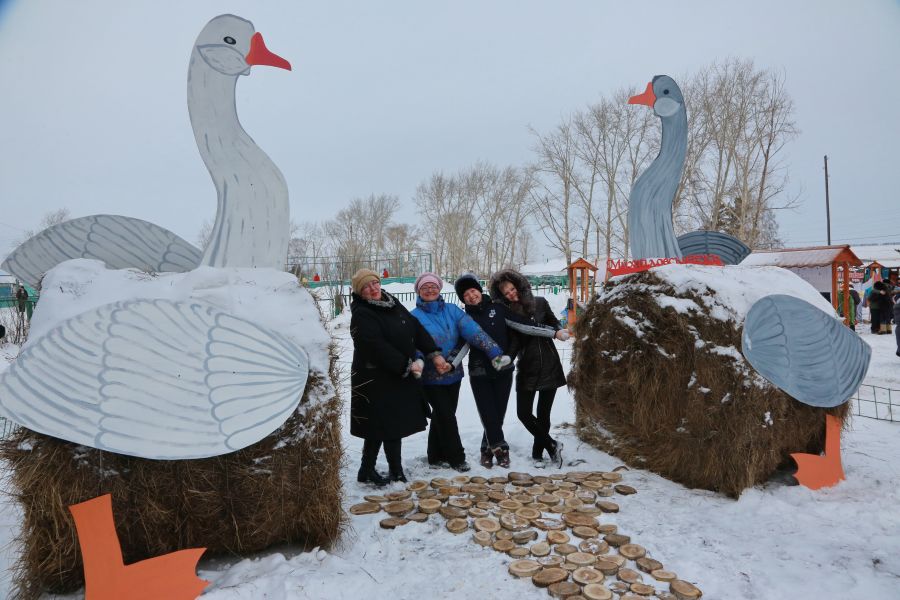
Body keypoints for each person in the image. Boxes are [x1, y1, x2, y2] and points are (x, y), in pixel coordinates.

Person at [349, 268, 448, 486]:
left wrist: (432, 352)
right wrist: (406, 365)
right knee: (387, 425)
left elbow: (415, 327)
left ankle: (367, 470)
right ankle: (395, 472)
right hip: (375, 378)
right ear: (359, 292)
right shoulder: (362, 313)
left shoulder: (390, 302)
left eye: (374, 283)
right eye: (366, 287)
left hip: (394, 376)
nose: (373, 288)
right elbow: (374, 346)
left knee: (384, 424)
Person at [455, 273, 562, 469]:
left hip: (503, 370)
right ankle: (500, 449)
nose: (471, 296)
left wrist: (554, 332)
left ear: (479, 290)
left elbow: (524, 325)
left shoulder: (498, 309)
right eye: (465, 295)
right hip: (479, 371)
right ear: (463, 299)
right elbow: (462, 345)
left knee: (497, 414)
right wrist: (449, 364)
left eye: (473, 291)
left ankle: (487, 449)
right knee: (487, 412)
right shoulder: (465, 318)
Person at [411, 272, 509, 472]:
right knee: (447, 416)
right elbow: (414, 344)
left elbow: (474, 332)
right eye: (425, 287)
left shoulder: (452, 310)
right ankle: (457, 458)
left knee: (442, 415)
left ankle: (435, 455)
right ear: (418, 292)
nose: (430, 290)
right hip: (430, 376)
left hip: (453, 373)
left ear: (439, 289)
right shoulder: (414, 316)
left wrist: (494, 353)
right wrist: (421, 361)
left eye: (433, 286)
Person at [489, 269, 570, 468]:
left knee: (544, 414)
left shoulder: (540, 302)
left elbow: (553, 321)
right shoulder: (508, 315)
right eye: (506, 292)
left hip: (549, 364)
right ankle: (552, 445)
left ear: (519, 285)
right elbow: (514, 342)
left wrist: (559, 330)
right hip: (527, 366)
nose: (511, 294)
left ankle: (538, 453)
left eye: (512, 289)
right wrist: (507, 357)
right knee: (523, 413)